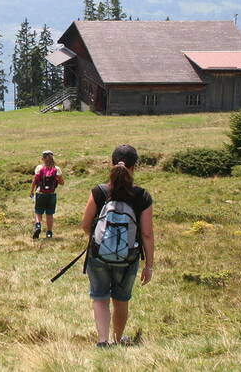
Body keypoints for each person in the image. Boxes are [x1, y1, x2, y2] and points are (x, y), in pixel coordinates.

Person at [80, 144, 154, 348]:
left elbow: (85, 225)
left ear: (110, 163)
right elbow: (147, 234)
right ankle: (117, 338)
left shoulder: (99, 191)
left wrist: (98, 238)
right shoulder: (143, 196)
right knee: (121, 299)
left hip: (99, 255)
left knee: (100, 297)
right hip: (128, 257)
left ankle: (103, 341)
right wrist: (149, 265)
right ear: (135, 167)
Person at [30, 150, 64, 239]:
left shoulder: (39, 168)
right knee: (49, 214)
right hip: (51, 194)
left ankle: (38, 225)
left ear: (43, 158)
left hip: (40, 193)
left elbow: (34, 181)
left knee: (38, 212)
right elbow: (62, 182)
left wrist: (31, 192)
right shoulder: (56, 169)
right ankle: (49, 232)